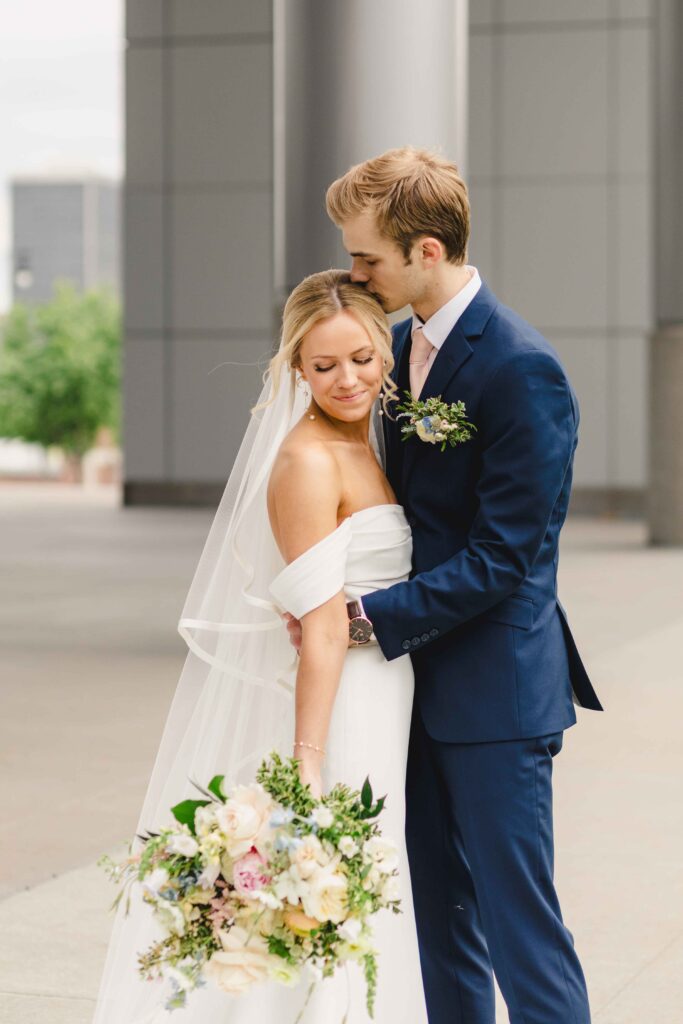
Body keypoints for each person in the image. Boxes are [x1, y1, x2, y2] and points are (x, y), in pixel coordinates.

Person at [285, 147, 603, 1024]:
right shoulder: (386, 351)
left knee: (518, 930)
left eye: (366, 259)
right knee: (438, 924)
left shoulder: (518, 367)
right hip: (406, 690)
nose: (353, 273)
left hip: (495, 695)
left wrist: (363, 616)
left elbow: (508, 556)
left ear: (426, 252)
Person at [93, 270, 428, 1023]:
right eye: (323, 365)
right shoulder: (306, 460)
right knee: (339, 895)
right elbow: (319, 630)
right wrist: (308, 765)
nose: (348, 379)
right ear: (294, 370)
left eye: (362, 359)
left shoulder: (371, 438)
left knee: (368, 890)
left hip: (384, 690)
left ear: (384, 350)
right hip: (342, 704)